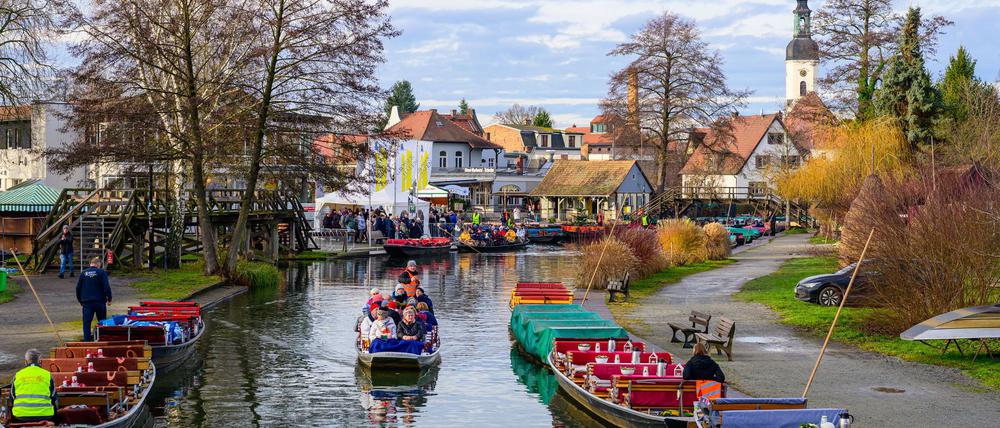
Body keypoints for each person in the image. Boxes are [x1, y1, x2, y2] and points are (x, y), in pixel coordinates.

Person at [10, 349, 56, 423]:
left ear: (25, 362)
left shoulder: (17, 375)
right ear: (40, 362)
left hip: (20, 416)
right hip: (45, 415)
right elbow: (54, 397)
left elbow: (12, 397)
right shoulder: (47, 375)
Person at [76, 256, 112, 342]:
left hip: (87, 302)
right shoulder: (101, 272)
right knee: (102, 322)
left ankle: (87, 341)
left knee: (86, 323)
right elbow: (106, 287)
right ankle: (102, 339)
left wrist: (80, 300)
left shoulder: (83, 273)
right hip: (100, 301)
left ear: (90, 264)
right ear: (98, 264)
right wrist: (109, 298)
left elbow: (78, 288)